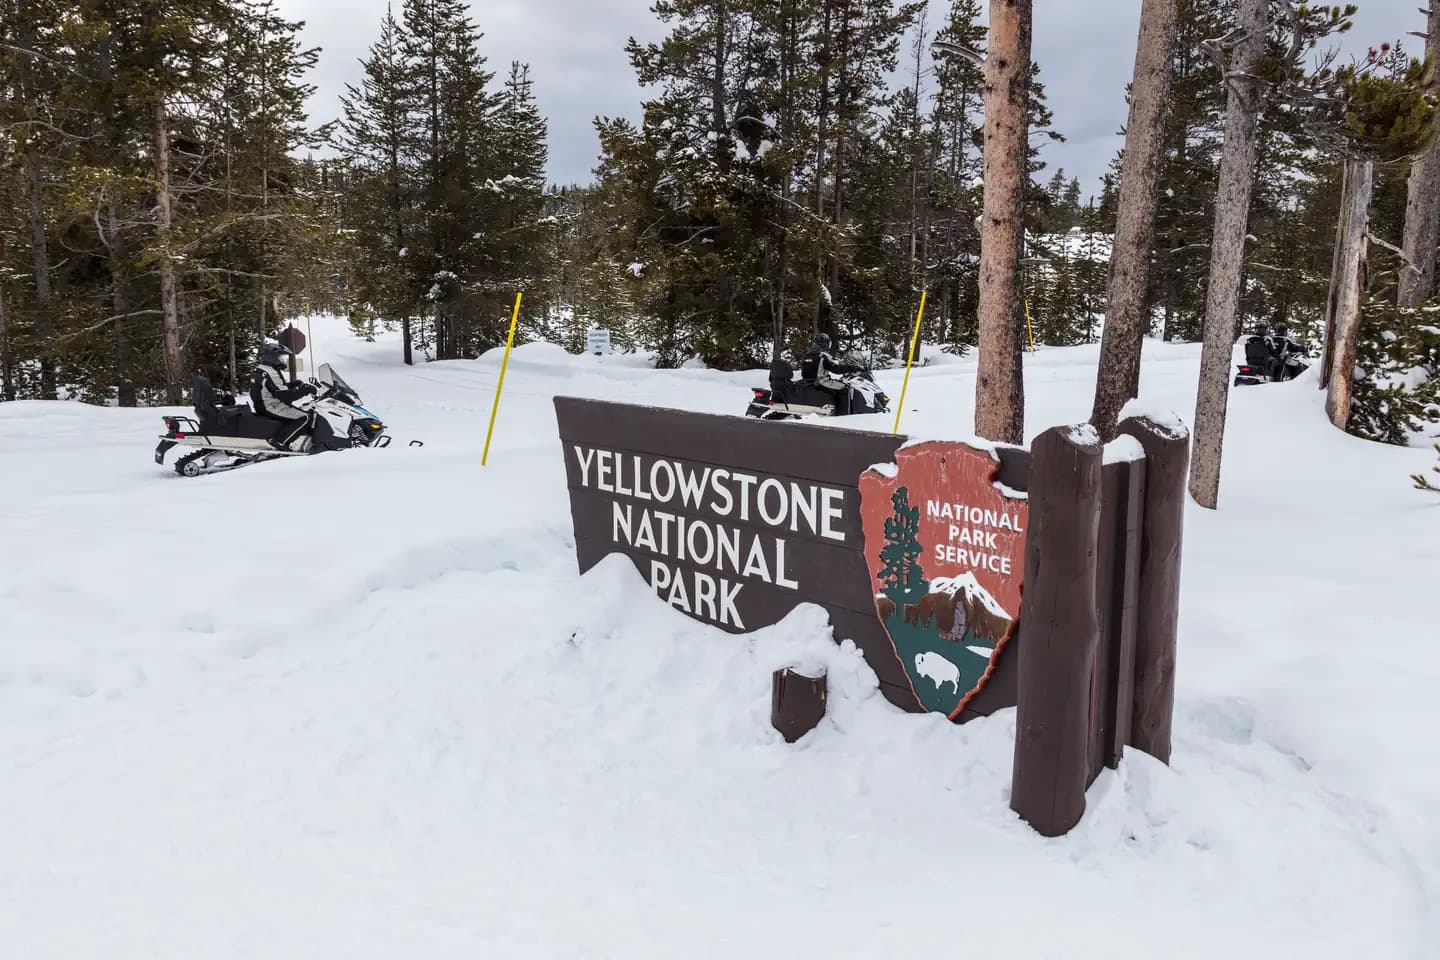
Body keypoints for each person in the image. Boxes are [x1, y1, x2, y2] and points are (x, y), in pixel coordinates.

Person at [251, 341, 316, 450]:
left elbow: (276, 389)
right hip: (270, 405)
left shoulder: (263, 369)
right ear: (271, 357)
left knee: (301, 412)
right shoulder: (271, 372)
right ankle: (279, 441)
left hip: (265, 404)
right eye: (280, 358)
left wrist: (293, 385)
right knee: (305, 417)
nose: (282, 361)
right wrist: (305, 390)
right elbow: (285, 396)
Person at [800, 333, 863, 415]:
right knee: (845, 389)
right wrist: (851, 368)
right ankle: (843, 414)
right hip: (820, 381)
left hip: (808, 382)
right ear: (826, 344)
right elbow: (836, 369)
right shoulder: (823, 356)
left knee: (837, 384)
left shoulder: (808, 355)